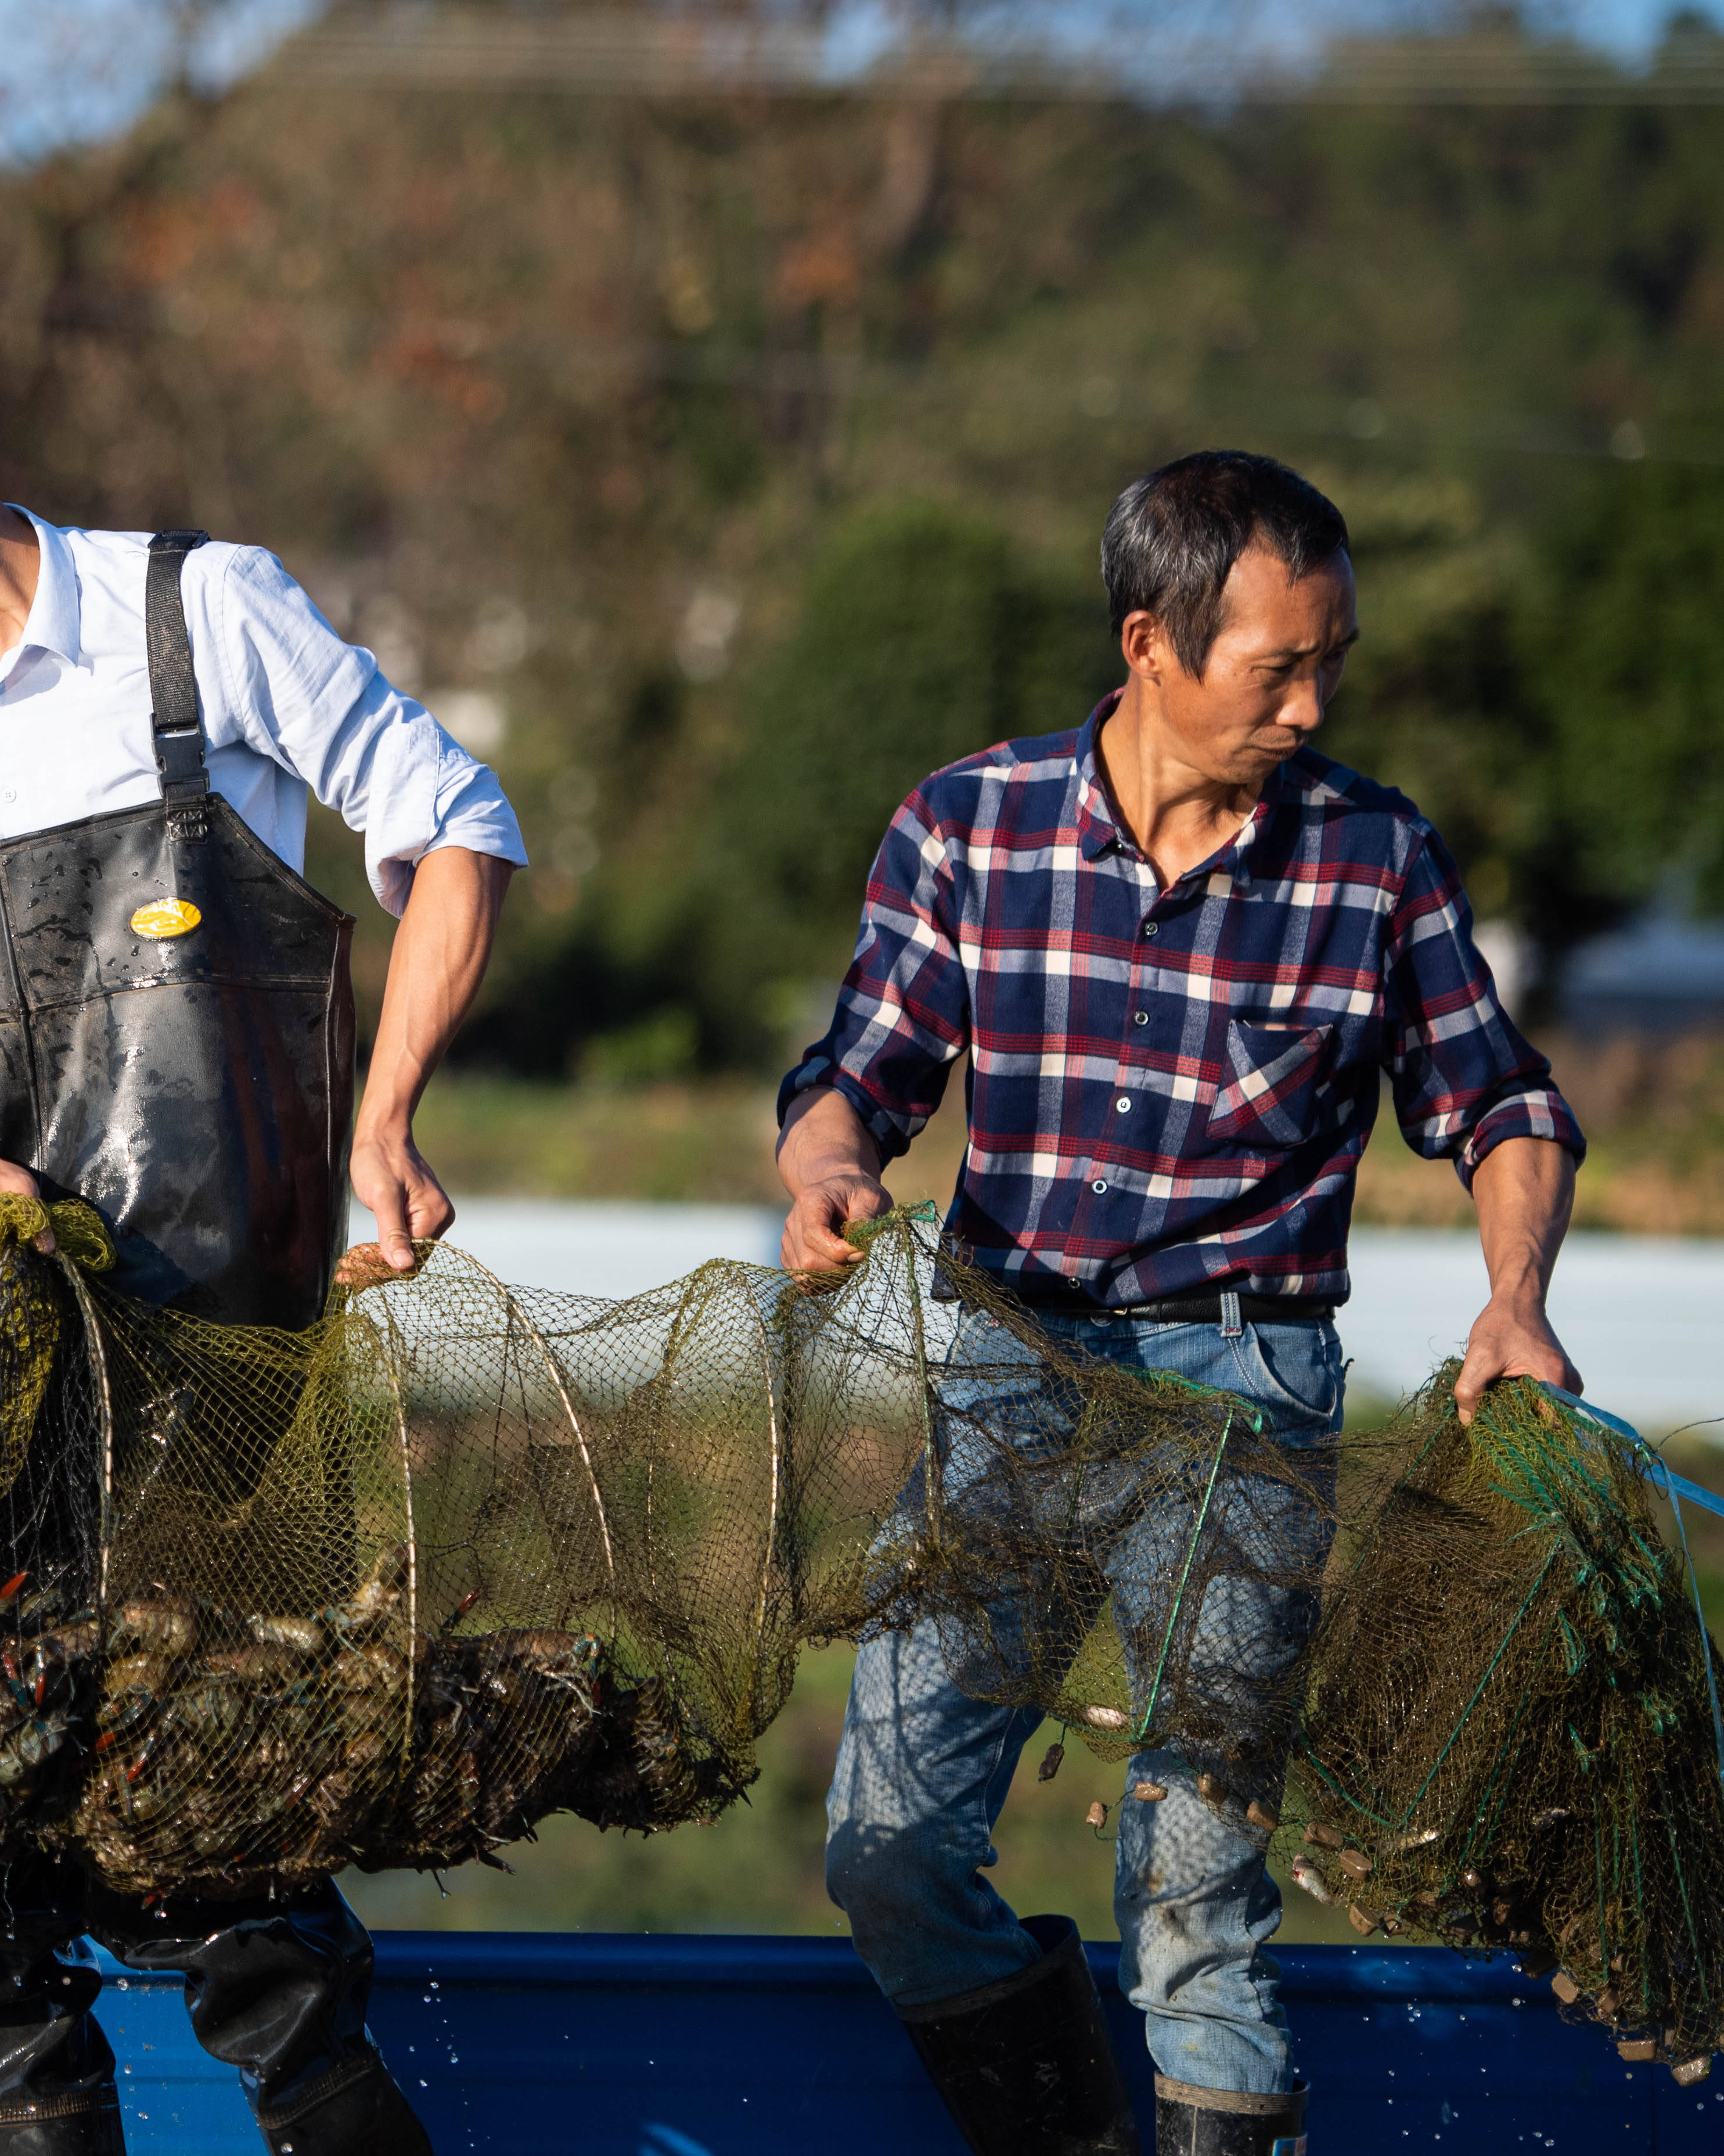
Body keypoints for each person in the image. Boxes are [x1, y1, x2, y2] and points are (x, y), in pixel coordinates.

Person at [0, 272, 524, 2156]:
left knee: (200, 1819)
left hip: (229, 1357)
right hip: (1, 1356)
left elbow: (451, 825)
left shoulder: (194, 618)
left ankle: (319, 2093)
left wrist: (387, 1114)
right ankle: (24, 2096)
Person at [774, 450, 1584, 2156]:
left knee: (1197, 1908)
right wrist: (830, 1172)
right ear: (1150, 642)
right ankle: (1063, 2120)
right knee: (888, 1850)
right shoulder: (970, 822)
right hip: (1003, 1371)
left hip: (1244, 1399)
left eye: (1332, 664)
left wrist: (1517, 1295)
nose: (1309, 704)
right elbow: (856, 1074)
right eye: (1273, 666)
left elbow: (1503, 1106)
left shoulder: (1375, 861)